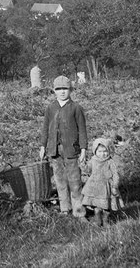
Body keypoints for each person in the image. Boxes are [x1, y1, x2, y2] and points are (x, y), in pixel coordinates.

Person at [39, 75, 87, 220]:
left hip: (71, 150)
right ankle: (65, 209)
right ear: (54, 90)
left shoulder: (76, 108)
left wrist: (84, 149)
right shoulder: (50, 108)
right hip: (54, 150)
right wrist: (43, 146)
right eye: (58, 89)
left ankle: (79, 211)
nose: (62, 92)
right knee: (60, 181)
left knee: (75, 181)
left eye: (65, 89)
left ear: (70, 90)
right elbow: (46, 128)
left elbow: (82, 130)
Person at [80, 138, 124, 226]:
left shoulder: (110, 162)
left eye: (105, 151)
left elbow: (115, 174)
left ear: (108, 151)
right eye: (100, 151)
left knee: (106, 205)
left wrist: (115, 185)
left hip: (106, 186)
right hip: (94, 187)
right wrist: (83, 164)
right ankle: (98, 221)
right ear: (95, 151)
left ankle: (106, 220)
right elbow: (87, 170)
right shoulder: (93, 160)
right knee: (97, 206)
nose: (103, 154)